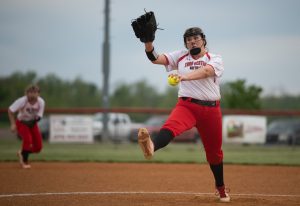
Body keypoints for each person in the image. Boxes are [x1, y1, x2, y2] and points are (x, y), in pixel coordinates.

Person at [137, 27, 230, 202]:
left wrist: (185, 77)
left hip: (211, 110)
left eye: (195, 38)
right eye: (188, 39)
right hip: (187, 106)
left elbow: (207, 72)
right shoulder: (180, 56)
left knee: (214, 153)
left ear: (203, 40)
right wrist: (148, 42)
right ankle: (151, 147)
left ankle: (221, 188)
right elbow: (155, 58)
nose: (192, 41)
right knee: (169, 128)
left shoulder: (214, 58)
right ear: (185, 43)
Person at [8, 84, 45, 169]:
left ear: (38, 94)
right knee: (28, 140)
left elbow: (39, 116)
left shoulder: (41, 102)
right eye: (30, 92)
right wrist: (13, 124)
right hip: (21, 122)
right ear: (27, 93)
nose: (33, 94)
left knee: (38, 147)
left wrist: (33, 122)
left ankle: (22, 152)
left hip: (32, 123)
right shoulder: (22, 101)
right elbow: (10, 110)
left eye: (35, 92)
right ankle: (24, 161)